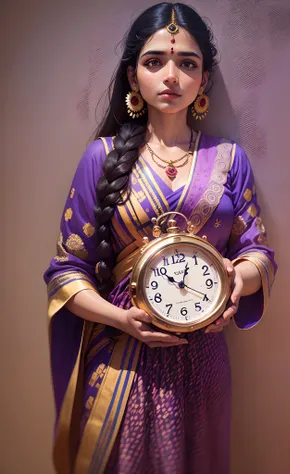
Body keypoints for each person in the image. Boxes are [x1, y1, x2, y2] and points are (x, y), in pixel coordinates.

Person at [44, 3, 277, 473]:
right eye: (155, 62)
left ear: (204, 80)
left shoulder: (229, 159)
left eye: (187, 64)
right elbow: (65, 272)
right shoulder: (103, 158)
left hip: (203, 358)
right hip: (121, 358)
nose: (171, 76)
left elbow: (258, 252)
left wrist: (238, 281)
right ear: (134, 78)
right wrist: (122, 320)